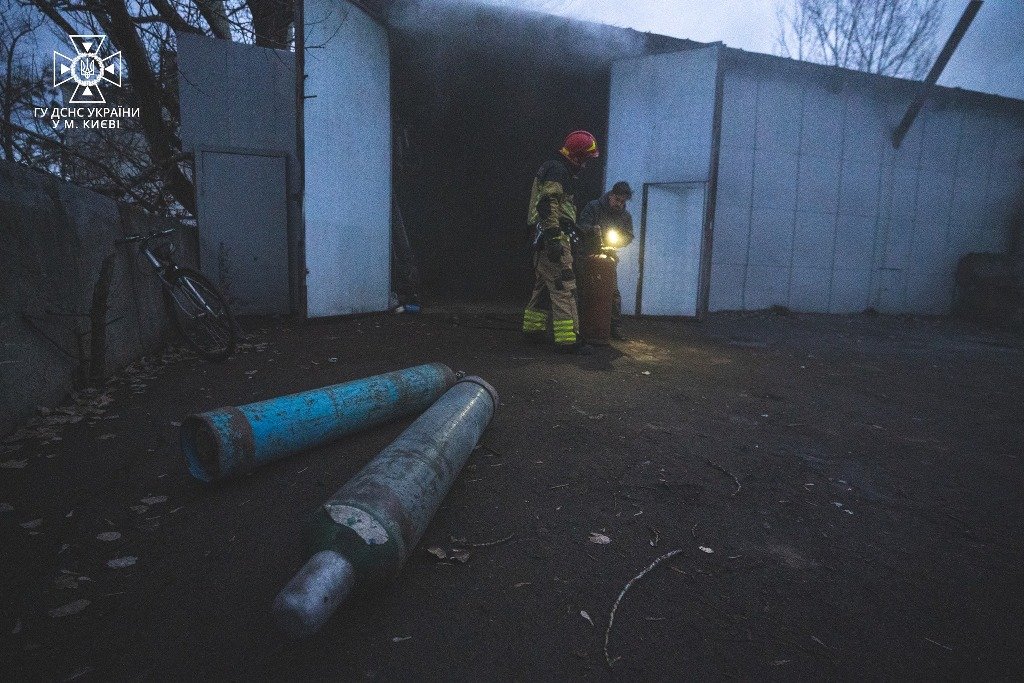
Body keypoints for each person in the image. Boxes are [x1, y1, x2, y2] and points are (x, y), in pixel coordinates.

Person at [521, 130, 600, 354]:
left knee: (544, 286)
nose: (585, 165)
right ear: (575, 156)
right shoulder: (558, 171)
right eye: (584, 159)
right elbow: (548, 204)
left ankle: (533, 331)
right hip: (551, 238)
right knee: (563, 285)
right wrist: (555, 238)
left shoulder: (553, 168)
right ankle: (569, 340)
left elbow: (557, 208)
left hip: (543, 237)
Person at [577, 181, 634, 339]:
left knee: (613, 292)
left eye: (623, 202)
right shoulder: (594, 207)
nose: (620, 204)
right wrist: (592, 230)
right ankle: (582, 326)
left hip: (609, 259)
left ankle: (614, 327)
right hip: (587, 257)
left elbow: (629, 236)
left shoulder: (625, 216)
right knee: (584, 290)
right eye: (617, 200)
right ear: (611, 195)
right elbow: (581, 226)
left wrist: (617, 241)